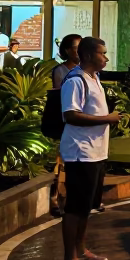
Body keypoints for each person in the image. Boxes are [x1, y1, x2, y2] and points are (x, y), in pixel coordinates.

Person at [58, 36, 120, 260]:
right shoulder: (75, 81)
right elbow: (70, 115)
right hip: (80, 153)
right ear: (87, 56)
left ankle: (81, 250)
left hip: (95, 152)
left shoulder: (95, 79)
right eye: (102, 53)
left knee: (86, 207)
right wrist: (108, 118)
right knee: (75, 207)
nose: (105, 58)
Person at [49, 34, 83, 216]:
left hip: (81, 122)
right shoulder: (60, 71)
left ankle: (72, 199)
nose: (79, 52)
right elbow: (58, 97)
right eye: (77, 48)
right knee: (60, 162)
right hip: (64, 121)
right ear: (68, 50)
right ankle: (54, 198)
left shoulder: (85, 70)